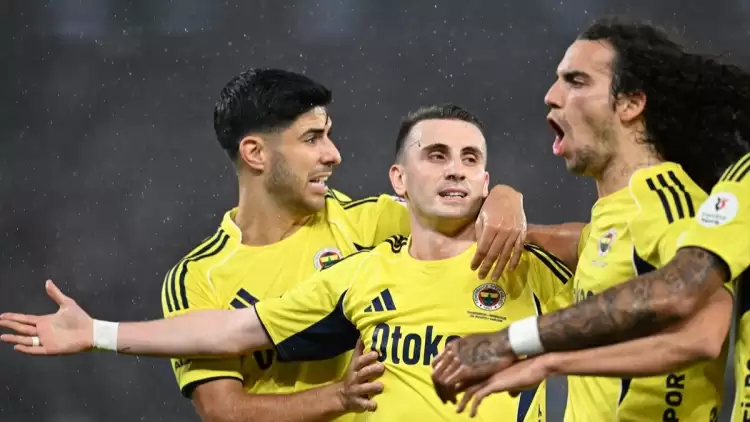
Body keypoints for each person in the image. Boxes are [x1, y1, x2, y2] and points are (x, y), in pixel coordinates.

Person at [0, 69, 527, 422]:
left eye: (329, 134)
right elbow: (222, 408)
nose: (334, 154)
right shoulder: (199, 277)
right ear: (255, 153)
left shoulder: (370, 222)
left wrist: (504, 197)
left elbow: (468, 213)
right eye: (312, 138)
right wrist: (337, 396)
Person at [431, 16, 749, 421]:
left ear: (630, 103)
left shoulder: (672, 202)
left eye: (576, 82)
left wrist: (547, 360)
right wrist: (503, 201)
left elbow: (703, 334)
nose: (551, 96)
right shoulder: (615, 216)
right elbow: (590, 244)